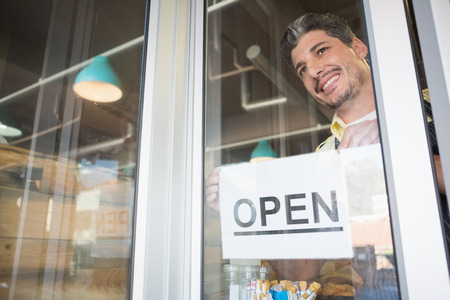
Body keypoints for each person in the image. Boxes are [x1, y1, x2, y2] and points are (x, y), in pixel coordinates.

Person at [206, 12, 446, 294]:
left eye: (321, 51)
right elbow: (303, 271)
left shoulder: (438, 103)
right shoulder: (324, 158)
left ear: (358, 47)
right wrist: (247, 215)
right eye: (302, 69)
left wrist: (396, 154)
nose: (314, 71)